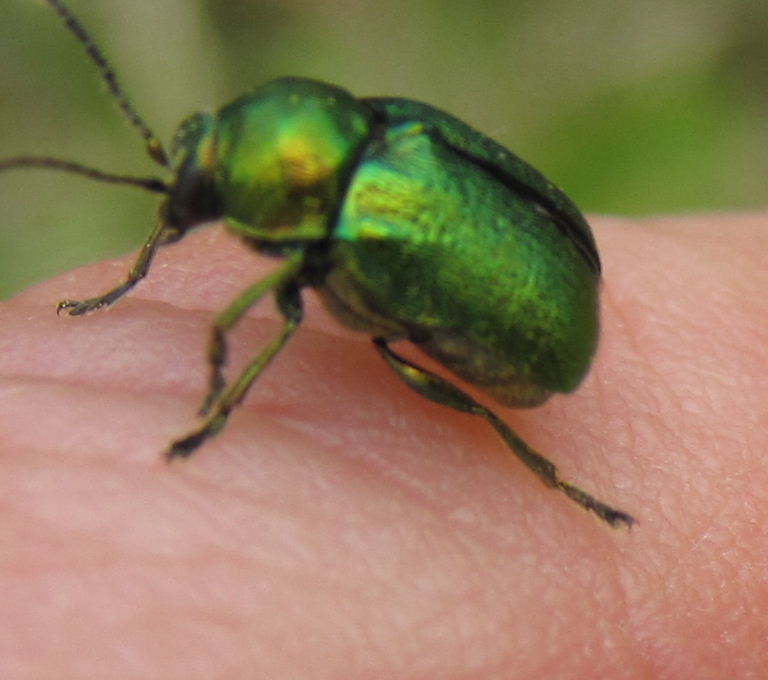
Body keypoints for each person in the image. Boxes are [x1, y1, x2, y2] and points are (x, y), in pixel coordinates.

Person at [1, 214, 766, 677]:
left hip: (537, 327)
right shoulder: (332, 172)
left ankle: (556, 481)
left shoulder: (341, 215)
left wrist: (214, 397)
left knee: (377, 355)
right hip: (547, 283)